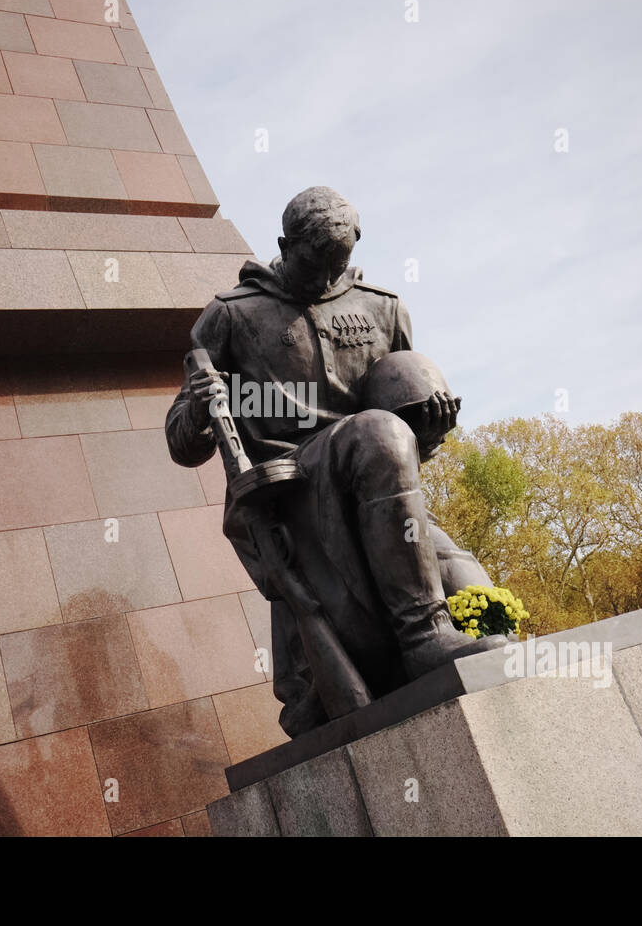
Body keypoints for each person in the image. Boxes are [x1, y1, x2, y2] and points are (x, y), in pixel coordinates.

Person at [165, 186, 498, 736]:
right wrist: (200, 407)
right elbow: (183, 445)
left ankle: (431, 635)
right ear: (283, 245)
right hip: (295, 490)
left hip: (376, 487)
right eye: (311, 263)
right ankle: (422, 637)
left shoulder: (383, 307)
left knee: (475, 592)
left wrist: (430, 435)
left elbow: (404, 443)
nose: (324, 279)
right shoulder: (230, 316)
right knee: (376, 431)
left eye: (336, 264)